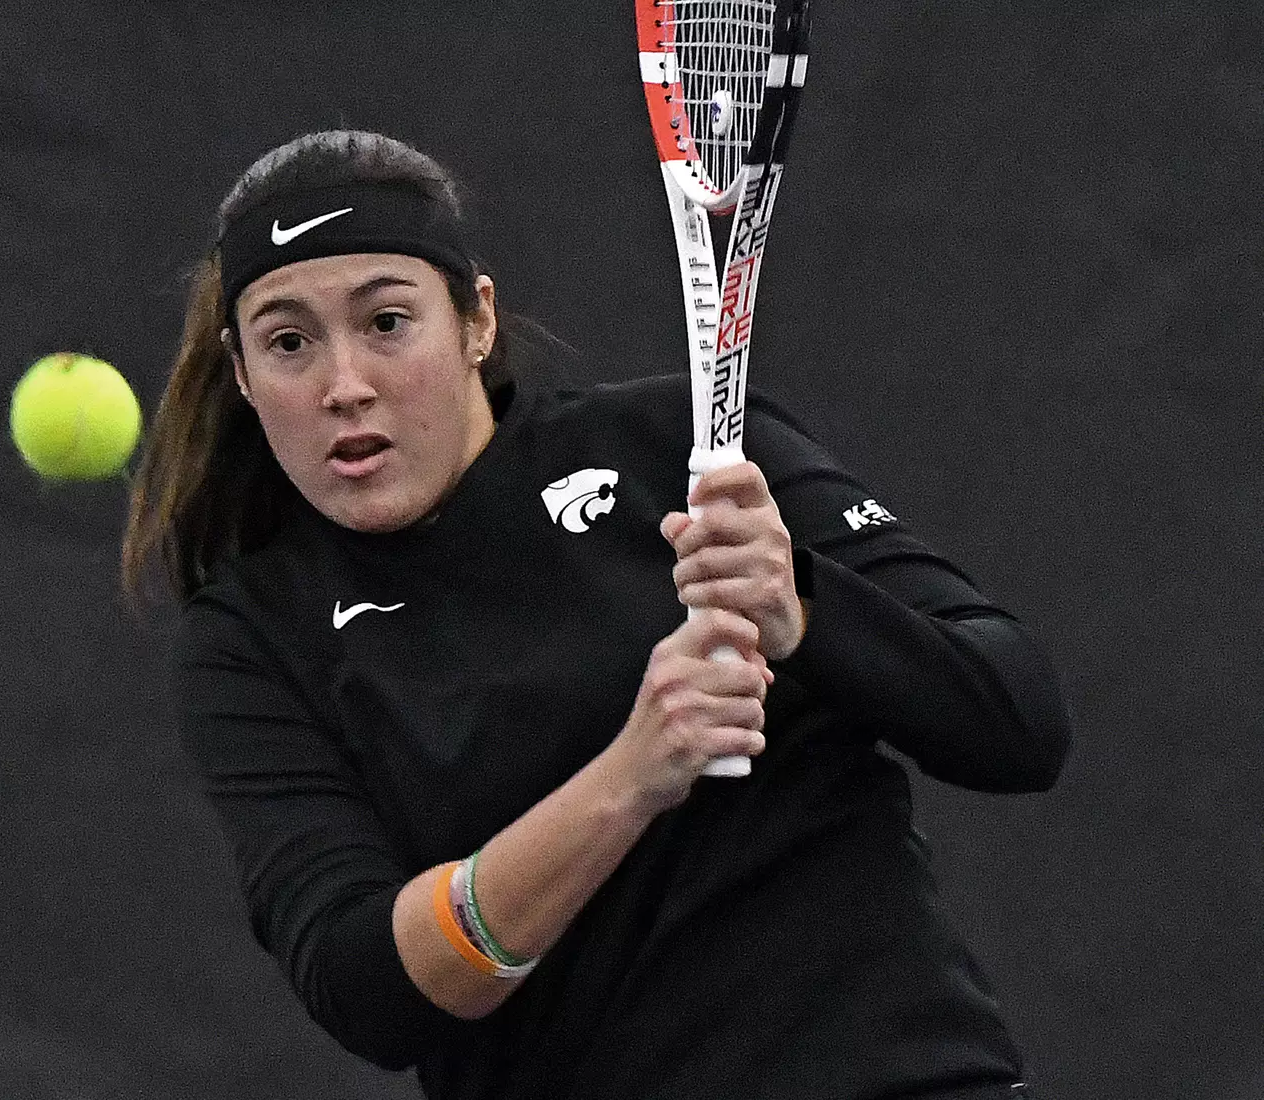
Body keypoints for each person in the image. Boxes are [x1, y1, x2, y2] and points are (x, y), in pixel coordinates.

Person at [120, 128, 1073, 1100]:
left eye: (388, 322)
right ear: (242, 375)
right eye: (289, 342)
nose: (344, 385)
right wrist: (631, 775)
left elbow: (1021, 720)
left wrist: (804, 613)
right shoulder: (252, 635)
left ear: (475, 320)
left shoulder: (682, 446)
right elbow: (370, 986)